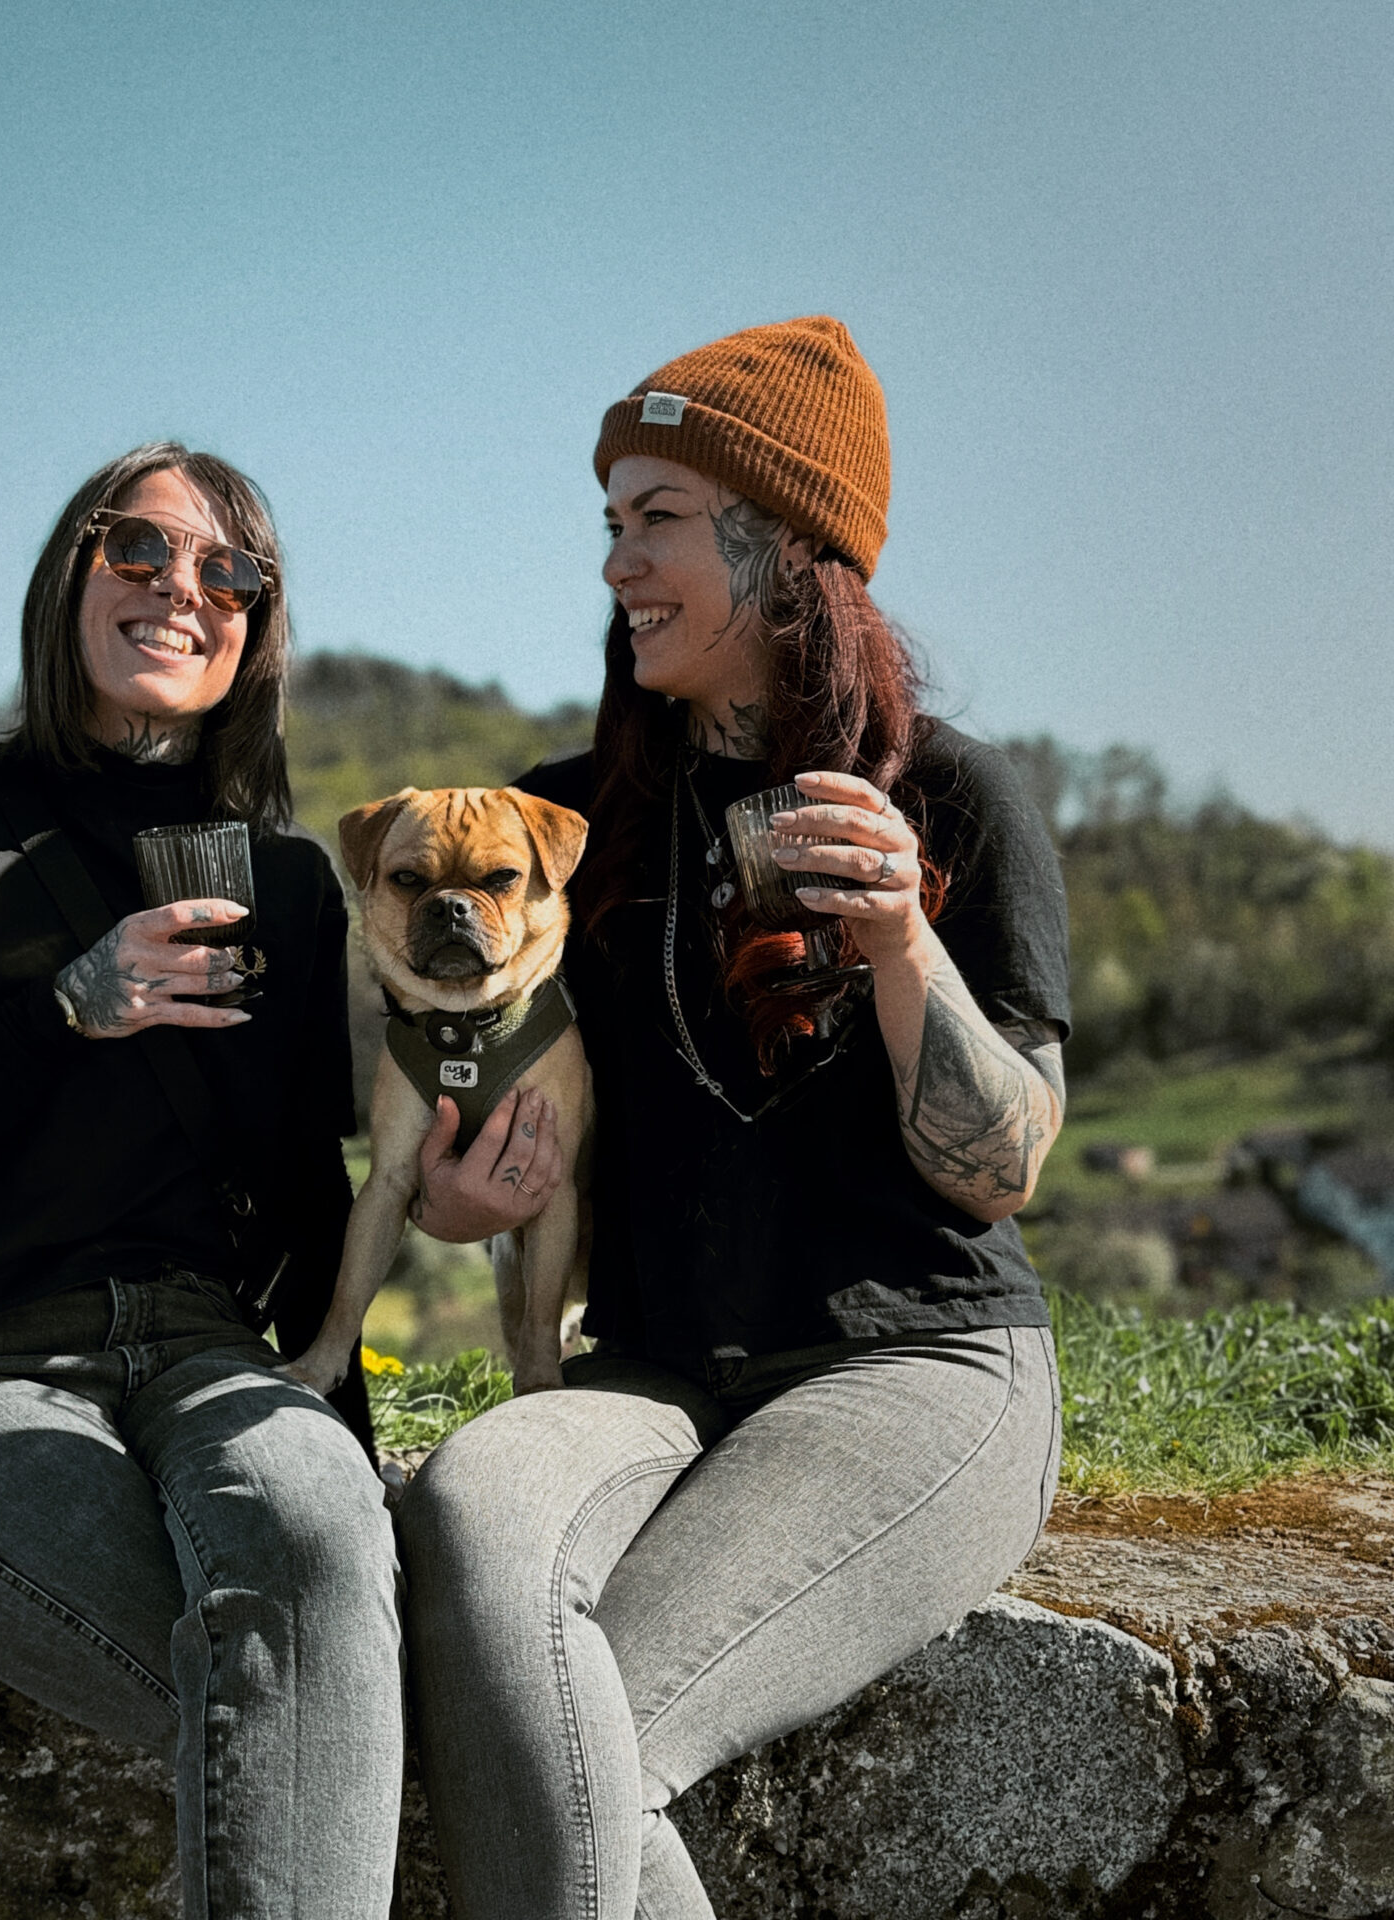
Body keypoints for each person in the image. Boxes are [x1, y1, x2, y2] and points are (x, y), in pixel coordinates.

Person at [398, 319, 1070, 1919]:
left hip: (914, 1361)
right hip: (651, 1370)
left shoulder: (953, 798)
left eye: (660, 521)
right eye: (611, 523)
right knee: (465, 1510)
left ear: (787, 553)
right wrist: (463, 1191)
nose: (620, 563)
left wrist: (904, 941)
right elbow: (459, 1138)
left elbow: (1006, 1163)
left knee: (582, 1721)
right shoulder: (562, 824)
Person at [0, 444, 401, 1920]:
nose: (178, 590)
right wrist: (67, 1008)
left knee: (323, 1557)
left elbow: (306, 1195)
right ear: (73, 571)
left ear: (256, 630)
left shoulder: (295, 882)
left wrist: (339, 1429)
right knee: (323, 1706)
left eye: (226, 571)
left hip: (201, 1350)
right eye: (138, 550)